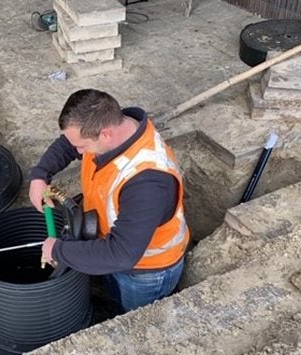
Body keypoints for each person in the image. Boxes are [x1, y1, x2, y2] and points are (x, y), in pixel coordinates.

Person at [28, 89, 190, 314]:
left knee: (130, 321)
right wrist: (40, 175)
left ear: (105, 134)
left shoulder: (147, 181)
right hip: (112, 250)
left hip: (144, 272)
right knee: (113, 300)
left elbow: (121, 254)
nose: (77, 151)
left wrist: (58, 250)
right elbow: (69, 143)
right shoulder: (110, 128)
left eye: (81, 147)